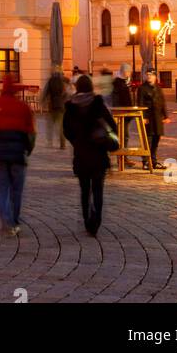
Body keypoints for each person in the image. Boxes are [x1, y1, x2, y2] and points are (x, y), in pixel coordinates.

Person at [0, 75, 36, 235]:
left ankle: (5, 219)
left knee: (1, 188)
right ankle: (14, 219)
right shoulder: (23, 107)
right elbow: (32, 133)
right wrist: (29, 149)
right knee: (16, 190)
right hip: (18, 155)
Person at [63, 74, 116, 236]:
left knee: (84, 190)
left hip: (81, 154)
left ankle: (87, 220)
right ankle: (96, 221)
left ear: (77, 87)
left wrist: (77, 142)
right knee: (98, 189)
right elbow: (112, 125)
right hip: (99, 154)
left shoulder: (71, 107)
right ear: (91, 87)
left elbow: (67, 131)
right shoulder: (98, 103)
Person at [137, 69, 168, 169]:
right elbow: (140, 103)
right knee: (148, 140)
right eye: (147, 75)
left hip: (158, 117)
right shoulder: (142, 88)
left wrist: (166, 116)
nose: (149, 76)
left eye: (151, 75)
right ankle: (145, 161)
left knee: (156, 139)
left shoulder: (158, 88)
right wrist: (143, 117)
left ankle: (153, 161)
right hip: (148, 117)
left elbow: (163, 102)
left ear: (155, 76)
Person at [39, 69, 67, 149]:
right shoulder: (62, 82)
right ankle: (62, 144)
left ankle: (49, 142)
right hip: (61, 106)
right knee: (61, 126)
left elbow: (45, 92)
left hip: (52, 106)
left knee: (50, 125)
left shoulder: (50, 81)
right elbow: (66, 93)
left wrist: (42, 101)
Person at [110, 64, 132, 161]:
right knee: (122, 135)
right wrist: (118, 111)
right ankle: (121, 157)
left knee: (125, 136)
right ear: (124, 71)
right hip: (121, 114)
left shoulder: (125, 82)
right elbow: (116, 100)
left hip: (126, 113)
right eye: (128, 71)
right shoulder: (117, 83)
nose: (130, 73)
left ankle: (123, 157)